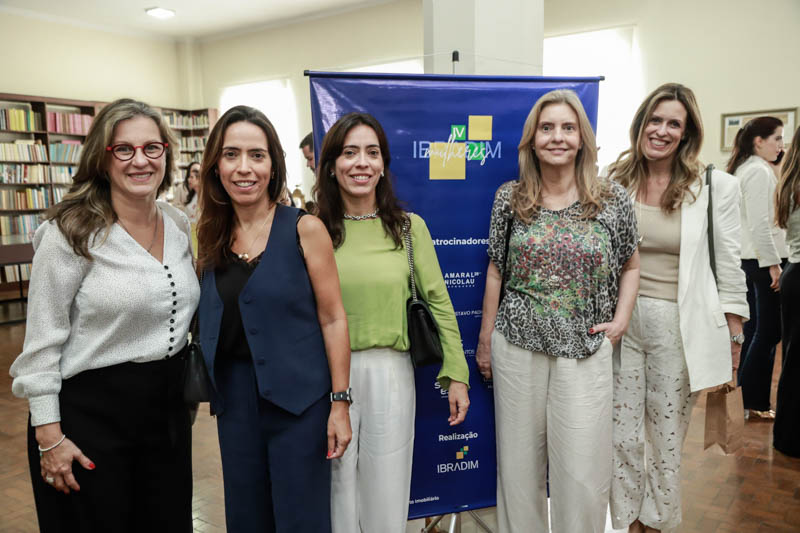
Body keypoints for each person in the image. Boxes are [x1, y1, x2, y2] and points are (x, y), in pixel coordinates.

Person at [9, 98, 198, 532]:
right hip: (89, 418)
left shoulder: (177, 224)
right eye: (124, 149)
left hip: (167, 417)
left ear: (167, 154)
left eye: (152, 147)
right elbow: (41, 347)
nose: (140, 160)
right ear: (102, 157)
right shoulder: (69, 233)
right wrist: (49, 437)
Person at [476, 89, 640, 533]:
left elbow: (631, 265)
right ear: (532, 140)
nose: (557, 137)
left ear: (582, 138)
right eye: (546, 128)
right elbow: (496, 270)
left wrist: (621, 321)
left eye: (568, 128)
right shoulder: (510, 198)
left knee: (583, 475)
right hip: (517, 348)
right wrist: (486, 340)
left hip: (586, 350)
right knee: (518, 471)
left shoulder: (612, 199)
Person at [195, 105, 351, 533]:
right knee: (246, 518)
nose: (244, 168)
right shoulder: (209, 235)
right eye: (231, 154)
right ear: (216, 165)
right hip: (235, 405)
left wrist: (340, 403)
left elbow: (334, 319)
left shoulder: (305, 229)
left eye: (257, 155)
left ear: (273, 165)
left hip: (300, 405)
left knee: (302, 520)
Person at [313, 112, 470, 533]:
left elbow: (439, 303)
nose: (361, 163)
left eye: (372, 152)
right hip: (327, 377)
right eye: (350, 153)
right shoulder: (312, 230)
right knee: (336, 490)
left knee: (386, 491)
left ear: (383, 164)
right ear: (331, 165)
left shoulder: (408, 228)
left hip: (390, 372)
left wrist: (457, 374)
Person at [607, 83, 749, 533]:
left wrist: (735, 337)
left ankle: (658, 522)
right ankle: (628, 520)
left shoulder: (713, 187)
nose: (662, 131)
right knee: (621, 436)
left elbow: (729, 263)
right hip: (621, 325)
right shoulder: (614, 180)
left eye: (674, 123)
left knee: (665, 438)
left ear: (687, 133)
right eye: (655, 120)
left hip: (678, 327)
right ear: (641, 123)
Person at [727, 116, 788, 418]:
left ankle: (751, 402)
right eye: (777, 138)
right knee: (769, 332)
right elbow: (760, 224)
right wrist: (773, 264)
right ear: (758, 141)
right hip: (762, 261)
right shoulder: (758, 172)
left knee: (755, 332)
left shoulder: (748, 168)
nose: (781, 145)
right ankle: (752, 401)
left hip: (752, 259)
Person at [774, 126, 800, 457]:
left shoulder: (790, 180)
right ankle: (789, 438)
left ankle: (786, 436)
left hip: (794, 273)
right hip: (798, 273)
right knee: (795, 362)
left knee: (793, 361)